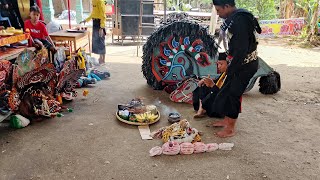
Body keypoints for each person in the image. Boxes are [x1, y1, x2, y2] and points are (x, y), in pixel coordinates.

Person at [209, 0, 261, 138]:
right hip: (237, 64)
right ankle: (227, 120)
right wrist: (224, 61)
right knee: (227, 91)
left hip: (245, 65)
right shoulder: (232, 20)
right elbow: (227, 43)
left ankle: (230, 128)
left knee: (234, 94)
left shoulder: (240, 21)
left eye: (219, 10)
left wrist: (230, 69)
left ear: (227, 6)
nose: (219, 14)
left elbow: (241, 51)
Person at [193, 53, 228, 118]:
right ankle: (201, 109)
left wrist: (212, 85)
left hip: (224, 107)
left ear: (229, 64)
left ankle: (203, 108)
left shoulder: (231, 76)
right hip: (218, 97)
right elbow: (217, 83)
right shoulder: (224, 73)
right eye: (218, 64)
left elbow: (224, 95)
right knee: (203, 85)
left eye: (221, 64)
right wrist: (205, 80)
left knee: (211, 93)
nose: (218, 66)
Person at [80, 0, 107, 65]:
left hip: (99, 23)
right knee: (97, 41)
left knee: (101, 41)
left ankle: (103, 59)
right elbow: (93, 13)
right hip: (95, 22)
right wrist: (86, 20)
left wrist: (102, 27)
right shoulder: (93, 1)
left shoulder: (100, 1)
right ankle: (100, 58)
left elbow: (103, 14)